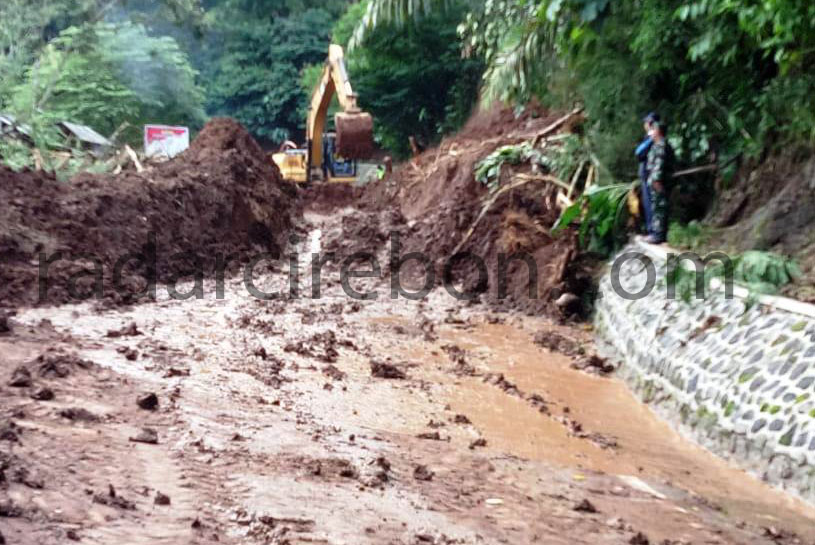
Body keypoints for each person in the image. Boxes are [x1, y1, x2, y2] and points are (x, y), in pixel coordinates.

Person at [645, 120, 672, 244]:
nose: (651, 132)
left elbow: (660, 164)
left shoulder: (661, 145)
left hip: (659, 181)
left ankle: (658, 235)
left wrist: (656, 179)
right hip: (654, 180)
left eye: (653, 129)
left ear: (658, 131)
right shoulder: (656, 145)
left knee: (659, 207)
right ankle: (658, 233)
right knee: (656, 206)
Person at [635, 112, 659, 236]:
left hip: (651, 175)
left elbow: (639, 153)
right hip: (646, 175)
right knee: (647, 203)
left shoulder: (653, 138)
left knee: (651, 204)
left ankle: (654, 231)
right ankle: (651, 230)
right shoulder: (649, 137)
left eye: (647, 122)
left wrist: (650, 138)